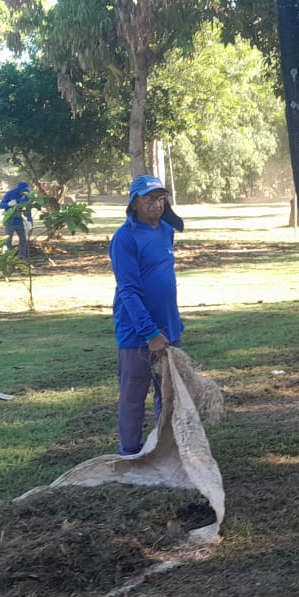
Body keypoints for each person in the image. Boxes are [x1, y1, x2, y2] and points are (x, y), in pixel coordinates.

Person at [109, 175, 186, 457]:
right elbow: (128, 291)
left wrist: (173, 324)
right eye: (148, 198)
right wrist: (150, 332)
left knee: (168, 394)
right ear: (134, 203)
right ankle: (129, 451)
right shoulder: (125, 238)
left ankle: (164, 447)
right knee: (133, 394)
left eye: (160, 198)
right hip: (136, 332)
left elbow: (164, 278)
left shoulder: (166, 230)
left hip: (168, 326)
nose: (156, 203)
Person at [0, 181, 32, 256]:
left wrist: (30, 222)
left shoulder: (27, 197)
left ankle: (22, 255)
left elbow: (28, 210)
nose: (24, 193)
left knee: (23, 239)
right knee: (8, 240)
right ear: (20, 190)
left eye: (26, 191)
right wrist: (8, 204)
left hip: (19, 221)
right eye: (23, 191)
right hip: (10, 221)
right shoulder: (10, 194)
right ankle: (7, 255)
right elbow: (0, 205)